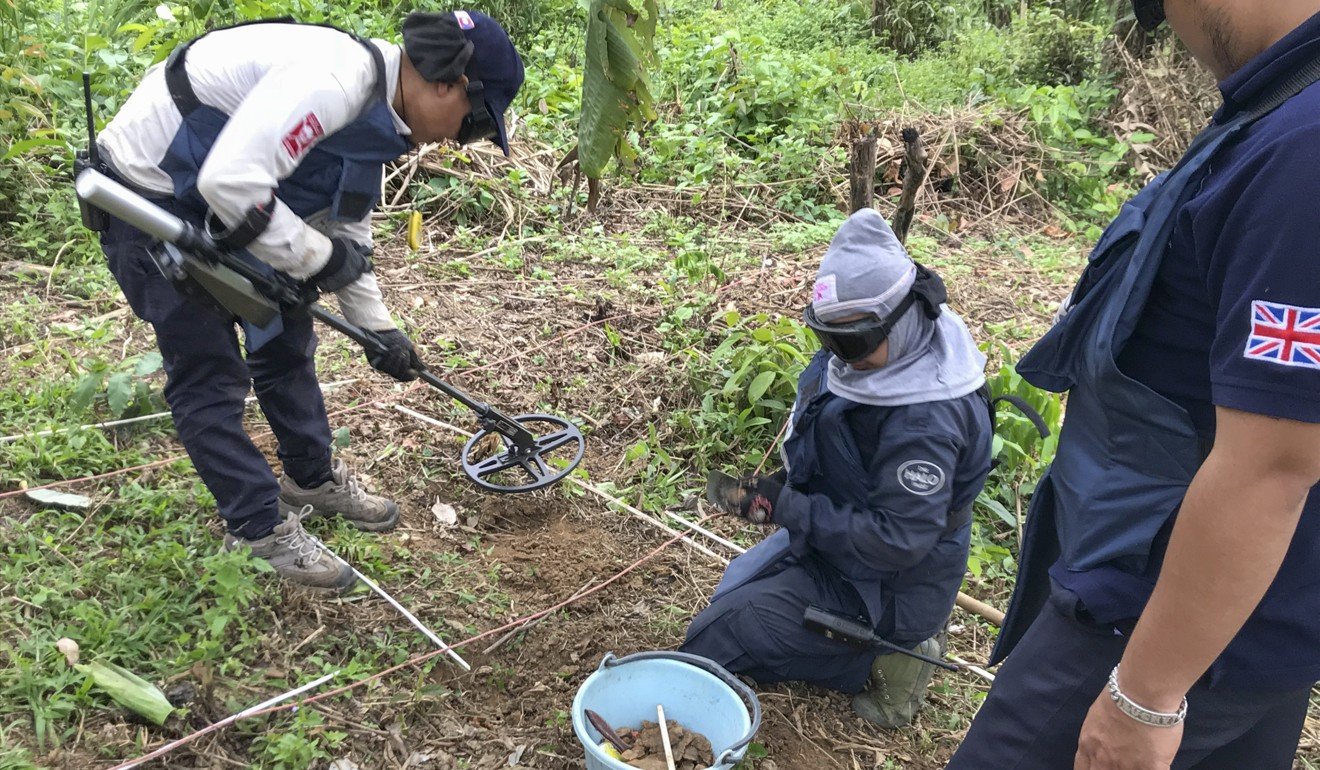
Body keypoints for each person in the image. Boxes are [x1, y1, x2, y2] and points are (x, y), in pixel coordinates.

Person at [946, 1, 1320, 768]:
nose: (1170, 30)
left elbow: (1275, 462)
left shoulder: (1304, 152)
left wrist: (1143, 697)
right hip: (1254, 625)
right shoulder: (1279, 110)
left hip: (1158, 625)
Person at [91, 11, 524, 593]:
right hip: (151, 194)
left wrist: (380, 330)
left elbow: (345, 227)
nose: (457, 139)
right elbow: (233, 183)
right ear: (447, 84)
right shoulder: (336, 82)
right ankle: (256, 527)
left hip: (214, 188)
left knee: (286, 327)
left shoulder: (381, 112)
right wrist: (316, 259)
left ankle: (311, 477)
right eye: (472, 124)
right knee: (208, 368)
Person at [681, 208, 994, 728]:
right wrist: (778, 493)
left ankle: (891, 652)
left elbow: (898, 540)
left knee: (723, 638)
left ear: (906, 313)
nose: (840, 357)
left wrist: (792, 508)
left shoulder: (927, 421)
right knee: (727, 596)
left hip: (889, 583)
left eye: (851, 342)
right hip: (840, 547)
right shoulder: (877, 356)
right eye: (828, 339)